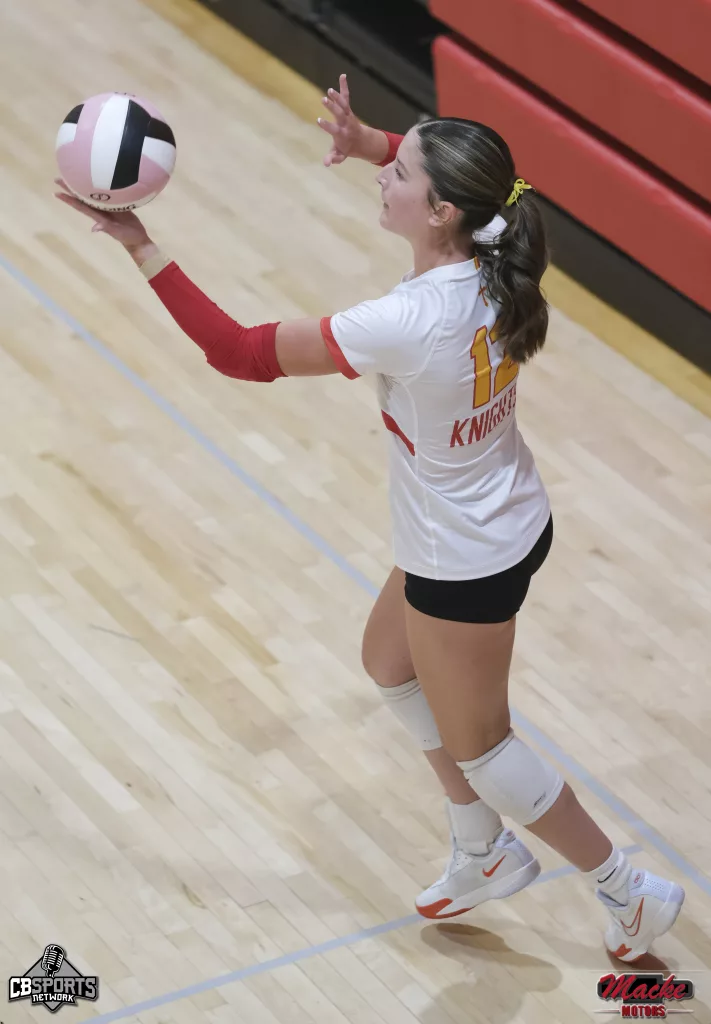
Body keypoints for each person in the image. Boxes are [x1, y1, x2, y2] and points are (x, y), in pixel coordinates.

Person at [55, 74, 684, 962]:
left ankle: (624, 889)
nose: (384, 175)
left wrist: (140, 244)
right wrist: (370, 144)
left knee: (484, 748)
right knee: (388, 663)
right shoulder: (496, 246)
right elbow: (462, 178)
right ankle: (481, 849)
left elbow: (236, 352)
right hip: (500, 513)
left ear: (441, 212)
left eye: (399, 172)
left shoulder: (407, 320)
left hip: (464, 558)